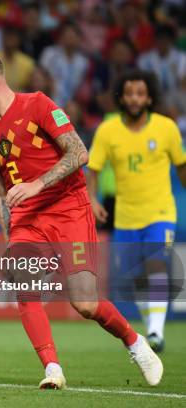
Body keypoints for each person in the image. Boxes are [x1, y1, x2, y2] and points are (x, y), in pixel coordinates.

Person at [0, 53, 163, 389]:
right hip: (27, 217)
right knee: (24, 285)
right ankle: (52, 368)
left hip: (69, 207)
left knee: (84, 303)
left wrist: (38, 183)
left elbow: (78, 152)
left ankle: (134, 341)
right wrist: (10, 234)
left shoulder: (37, 105)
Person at [87, 69, 186, 352]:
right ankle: (151, 327)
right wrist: (92, 199)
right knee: (134, 274)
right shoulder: (108, 131)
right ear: (122, 96)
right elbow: (92, 169)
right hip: (126, 216)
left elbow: (181, 166)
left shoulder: (166, 128)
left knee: (156, 263)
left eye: (140, 93)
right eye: (129, 93)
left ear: (149, 97)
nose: (134, 99)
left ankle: (155, 332)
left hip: (160, 212)